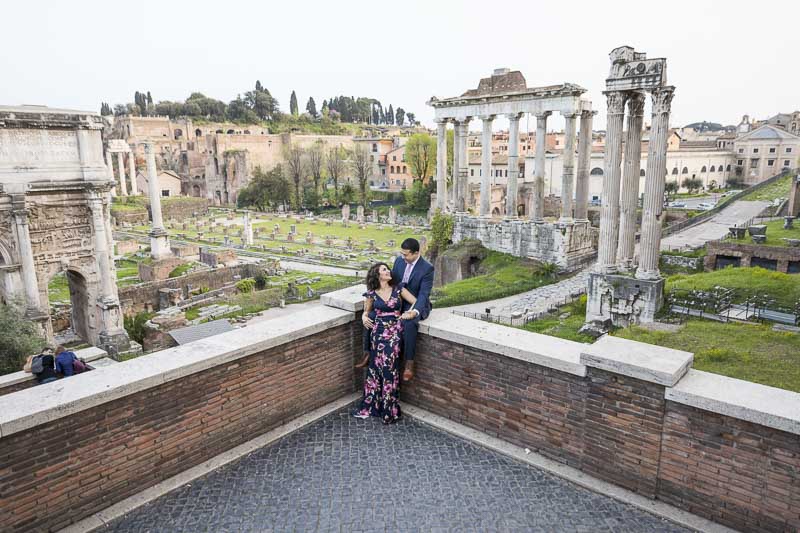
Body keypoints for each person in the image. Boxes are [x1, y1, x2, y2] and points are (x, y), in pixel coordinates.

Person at [360, 238, 433, 381]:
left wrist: (414, 311)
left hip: (416, 303)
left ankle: (409, 363)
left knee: (409, 323)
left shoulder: (427, 268)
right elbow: (389, 280)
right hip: (399, 300)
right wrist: (368, 309)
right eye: (402, 254)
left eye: (406, 255)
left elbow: (423, 294)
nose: (403, 257)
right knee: (372, 316)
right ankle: (367, 352)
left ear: (416, 253)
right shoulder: (400, 261)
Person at [354, 262, 417, 424]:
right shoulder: (371, 294)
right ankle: (373, 406)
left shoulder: (399, 288)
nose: (388, 271)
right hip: (378, 332)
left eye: (387, 269)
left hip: (395, 331)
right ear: (377, 274)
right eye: (384, 270)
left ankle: (390, 410)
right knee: (376, 368)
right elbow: (366, 312)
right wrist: (363, 317)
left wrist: (410, 313)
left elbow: (415, 302)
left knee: (389, 367)